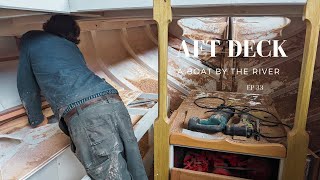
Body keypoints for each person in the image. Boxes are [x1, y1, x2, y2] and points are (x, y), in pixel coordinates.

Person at [17, 14, 147, 180]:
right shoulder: (72, 48)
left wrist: (36, 120)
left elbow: (26, 86)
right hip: (113, 100)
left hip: (88, 115)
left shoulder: (30, 39)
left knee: (113, 176)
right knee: (135, 168)